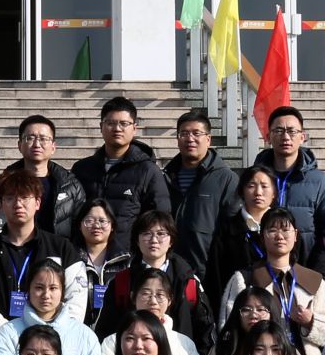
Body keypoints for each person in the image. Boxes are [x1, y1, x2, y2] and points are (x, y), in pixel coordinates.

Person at [0, 170, 90, 322]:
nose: (18, 204)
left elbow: (76, 298)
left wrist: (52, 331)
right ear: (0, 205)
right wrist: (6, 331)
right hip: (0, 334)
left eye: (25, 197)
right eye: (10, 198)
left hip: (52, 334)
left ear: (38, 203)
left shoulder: (61, 248)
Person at [218, 209, 325, 348]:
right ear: (262, 237)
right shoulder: (245, 279)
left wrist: (310, 322)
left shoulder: (313, 280)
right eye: (272, 230)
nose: (279, 236)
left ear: (295, 235)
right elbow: (228, 329)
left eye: (285, 230)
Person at [73, 94, 172, 251]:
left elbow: (159, 219)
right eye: (110, 123)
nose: (117, 129)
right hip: (85, 254)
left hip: (128, 257)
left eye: (124, 123)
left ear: (134, 128)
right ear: (101, 126)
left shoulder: (148, 171)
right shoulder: (82, 169)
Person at [99, 212, 208, 350]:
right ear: (137, 240)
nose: (154, 240)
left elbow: (204, 328)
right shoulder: (121, 281)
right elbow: (106, 328)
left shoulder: (188, 281)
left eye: (161, 234)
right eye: (146, 233)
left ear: (171, 240)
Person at [0, 258, 104, 355]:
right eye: (39, 288)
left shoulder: (85, 335)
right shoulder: (7, 334)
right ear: (28, 290)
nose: (46, 295)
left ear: (62, 292)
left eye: (53, 288)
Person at [252, 106, 325, 248]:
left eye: (292, 131)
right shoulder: (253, 179)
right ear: (268, 137)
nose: (285, 137)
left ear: (302, 137)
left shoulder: (320, 182)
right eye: (279, 131)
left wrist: (318, 261)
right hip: (261, 259)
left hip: (306, 260)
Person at [164, 109, 229, 284]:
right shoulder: (165, 177)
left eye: (196, 133)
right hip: (168, 271)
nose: (190, 138)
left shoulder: (225, 179)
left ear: (208, 139)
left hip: (208, 272)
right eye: (184, 133)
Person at [11, 114, 89, 239]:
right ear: (19, 145)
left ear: (53, 147)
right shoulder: (5, 183)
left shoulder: (70, 186)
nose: (37, 144)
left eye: (43, 139)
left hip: (59, 250)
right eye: (30, 138)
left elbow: (81, 228)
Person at [210, 167, 283, 292]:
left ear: (274, 193)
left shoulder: (286, 228)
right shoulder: (227, 230)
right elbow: (215, 275)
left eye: (264, 186)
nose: (258, 192)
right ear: (242, 191)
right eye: (251, 186)